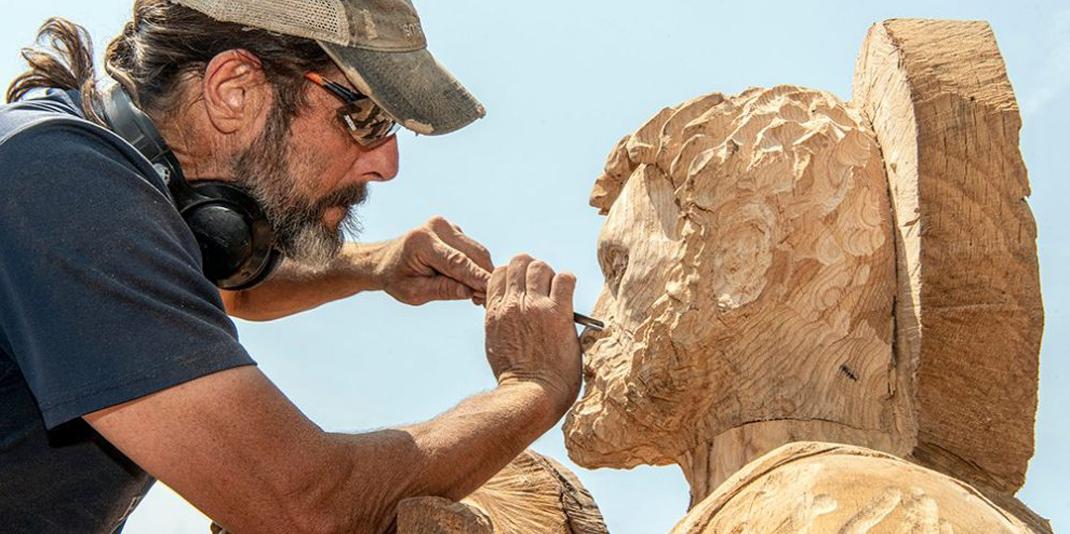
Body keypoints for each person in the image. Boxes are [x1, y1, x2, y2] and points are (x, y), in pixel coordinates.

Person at [0, 1, 582, 532]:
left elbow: (230, 289)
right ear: (236, 89)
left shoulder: (70, 167)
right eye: (367, 119)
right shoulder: (63, 185)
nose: (387, 164)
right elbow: (308, 508)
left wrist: (374, 265)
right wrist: (533, 385)